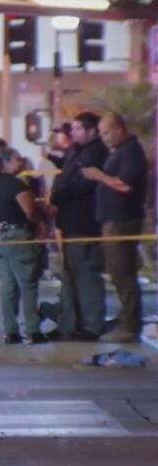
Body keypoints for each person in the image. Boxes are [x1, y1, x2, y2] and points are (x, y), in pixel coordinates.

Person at [82, 112, 148, 343]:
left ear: (120, 129)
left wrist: (100, 175)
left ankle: (130, 325)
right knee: (117, 272)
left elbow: (125, 185)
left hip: (122, 221)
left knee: (123, 273)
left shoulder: (131, 151)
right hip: (112, 220)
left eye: (107, 133)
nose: (105, 138)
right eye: (102, 134)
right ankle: (125, 319)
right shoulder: (119, 152)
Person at [45, 112, 109, 341]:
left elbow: (79, 186)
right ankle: (69, 325)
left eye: (78, 129)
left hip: (85, 225)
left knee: (87, 277)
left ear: (92, 131)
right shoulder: (77, 152)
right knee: (71, 277)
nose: (73, 133)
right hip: (71, 223)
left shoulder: (95, 153)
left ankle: (92, 326)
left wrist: (57, 196)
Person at [0, 147, 46, 344]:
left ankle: (11, 331)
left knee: (9, 286)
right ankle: (33, 330)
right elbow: (30, 212)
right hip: (18, 237)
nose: (21, 162)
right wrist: (37, 228)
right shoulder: (17, 185)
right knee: (28, 284)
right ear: (7, 161)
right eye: (18, 159)